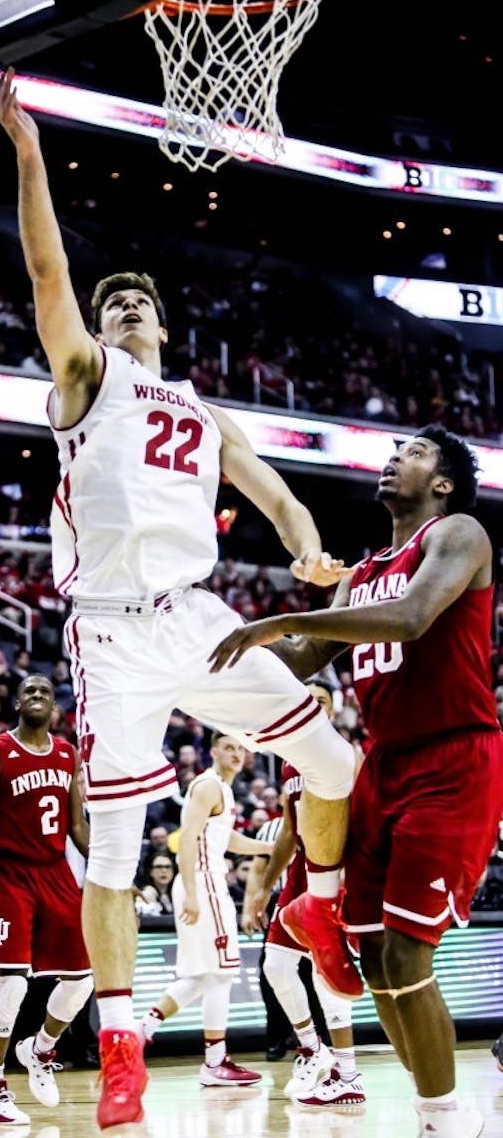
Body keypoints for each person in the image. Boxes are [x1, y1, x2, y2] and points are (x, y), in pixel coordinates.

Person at [0, 66, 360, 1129]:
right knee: (113, 854)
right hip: (110, 635)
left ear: (162, 322)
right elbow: (47, 267)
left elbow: (276, 494)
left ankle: (319, 910)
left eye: (138, 301)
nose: (123, 307)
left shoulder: (202, 412)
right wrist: (29, 153)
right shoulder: (85, 377)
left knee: (335, 763)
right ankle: (120, 1052)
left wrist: (306, 549)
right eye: (114, 301)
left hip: (199, 619)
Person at [209, 425, 503, 1138]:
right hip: (384, 763)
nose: (395, 458)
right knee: (375, 959)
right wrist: (200, 659)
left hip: (453, 759)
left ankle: (443, 1121)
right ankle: (437, 1112)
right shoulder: (360, 573)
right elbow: (301, 658)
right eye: (395, 450)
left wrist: (281, 618)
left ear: (441, 483)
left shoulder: (458, 533)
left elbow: (411, 618)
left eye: (414, 453)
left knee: (405, 950)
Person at [0, 674, 93, 1126]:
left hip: (55, 871)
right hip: (9, 874)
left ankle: (40, 1048)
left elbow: (77, 824)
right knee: (13, 983)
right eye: (28, 691)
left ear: (54, 706)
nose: (36, 696)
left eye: (44, 692)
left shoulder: (68, 753)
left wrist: (107, 869)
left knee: (82, 981)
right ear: (16, 703)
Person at [243, 679, 365, 1106]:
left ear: (332, 711)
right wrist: (264, 885)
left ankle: (348, 1073)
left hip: (335, 872)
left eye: (322, 700)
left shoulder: (346, 756)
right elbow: (289, 832)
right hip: (299, 873)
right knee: (275, 966)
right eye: (308, 700)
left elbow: (363, 821)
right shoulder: (290, 762)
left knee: (324, 975)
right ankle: (313, 1049)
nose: (314, 706)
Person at [138, 735, 270, 1086]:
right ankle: (214, 1062)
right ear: (213, 751)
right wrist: (193, 893)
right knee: (222, 974)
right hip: (203, 881)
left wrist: (269, 847)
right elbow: (186, 838)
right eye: (229, 747)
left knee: (202, 975)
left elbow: (227, 839)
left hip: (202, 880)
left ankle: (141, 1031)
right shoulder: (209, 785)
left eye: (240, 748)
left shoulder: (222, 789)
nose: (236, 753)